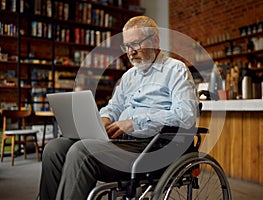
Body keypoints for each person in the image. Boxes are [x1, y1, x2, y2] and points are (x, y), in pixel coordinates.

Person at [39, 16, 198, 200]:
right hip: (122, 143)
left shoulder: (176, 70)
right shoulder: (129, 76)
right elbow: (113, 107)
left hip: (153, 147)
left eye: (136, 44)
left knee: (81, 151)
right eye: (127, 46)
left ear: (155, 40)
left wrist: (133, 123)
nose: (130, 52)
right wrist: (104, 119)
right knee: (55, 148)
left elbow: (186, 115)